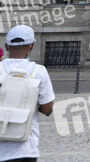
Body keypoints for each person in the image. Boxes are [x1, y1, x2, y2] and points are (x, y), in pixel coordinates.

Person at [0, 25, 54, 162]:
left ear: (6, 46)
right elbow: (47, 109)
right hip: (25, 147)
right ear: (32, 46)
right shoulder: (38, 71)